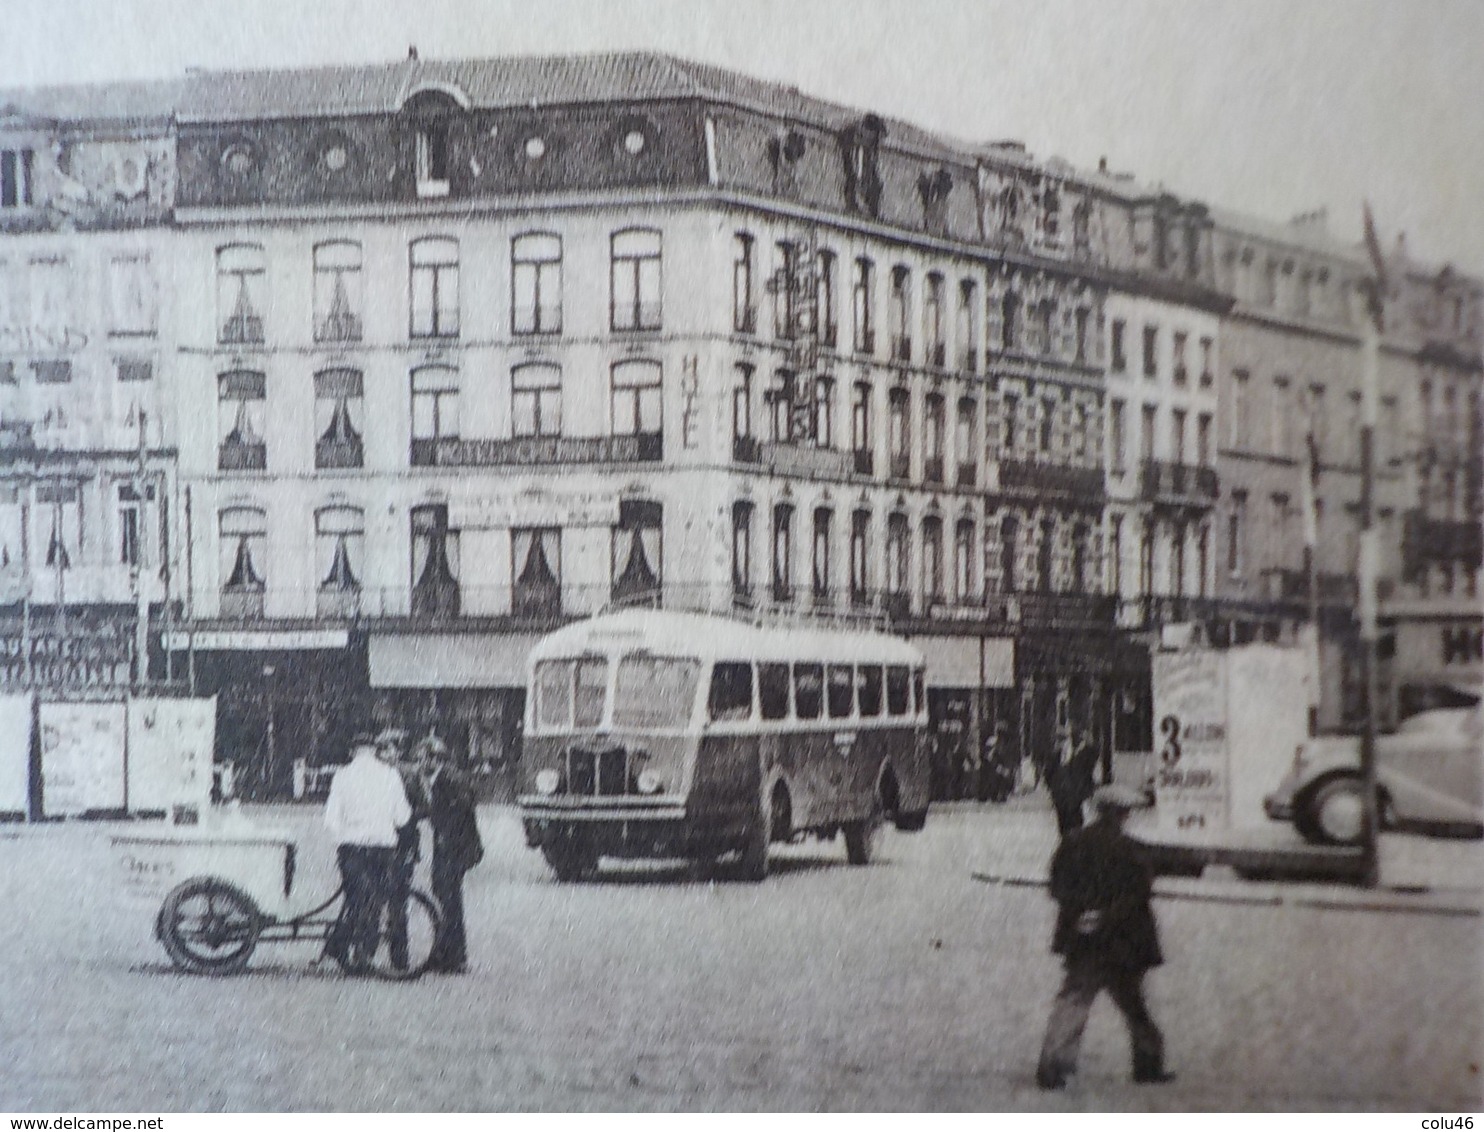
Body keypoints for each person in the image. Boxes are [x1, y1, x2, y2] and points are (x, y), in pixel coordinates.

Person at [1036, 784, 1172, 1090]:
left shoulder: (1072, 843)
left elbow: (1057, 886)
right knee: (1135, 1005)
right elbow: (1138, 894)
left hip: (1083, 940)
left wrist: (1082, 913)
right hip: (1123, 943)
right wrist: (1106, 917)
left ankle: (1053, 1066)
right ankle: (1148, 1065)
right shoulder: (1132, 850)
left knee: (1073, 1001)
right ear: (1123, 815)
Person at [323, 733, 412, 974]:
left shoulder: (341, 776)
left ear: (353, 751)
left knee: (357, 898)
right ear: (374, 750)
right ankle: (359, 950)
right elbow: (402, 817)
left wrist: (347, 833)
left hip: (352, 848)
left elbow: (331, 820)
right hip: (383, 848)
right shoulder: (390, 776)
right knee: (378, 899)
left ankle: (347, 946)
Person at [416, 733, 483, 974]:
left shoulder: (449, 778)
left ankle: (452, 956)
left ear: (435, 759)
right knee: (445, 897)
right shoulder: (444, 777)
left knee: (449, 900)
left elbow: (464, 805)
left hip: (453, 848)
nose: (420, 763)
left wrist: (447, 833)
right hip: (449, 846)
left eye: (423, 758)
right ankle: (448, 952)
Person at [1046, 730, 1098, 836]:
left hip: (1075, 796)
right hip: (1060, 797)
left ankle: (1076, 845)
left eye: (1063, 740)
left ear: (1068, 740)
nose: (1060, 744)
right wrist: (1053, 790)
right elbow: (1048, 774)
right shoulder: (1055, 756)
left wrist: (1084, 792)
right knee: (1063, 825)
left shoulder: (1078, 754)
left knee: (1076, 823)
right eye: (1058, 741)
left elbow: (1087, 769)